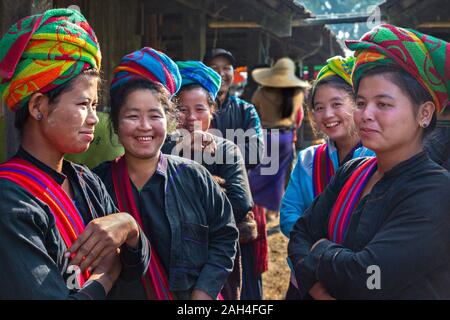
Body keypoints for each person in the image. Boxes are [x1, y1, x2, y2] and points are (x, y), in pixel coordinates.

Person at [288, 24, 450, 299]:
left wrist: (321, 249)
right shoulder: (353, 170)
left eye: (383, 104)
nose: (365, 115)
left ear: (424, 113)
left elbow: (369, 276)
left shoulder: (435, 191)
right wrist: (317, 288)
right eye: (361, 103)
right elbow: (300, 234)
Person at [0, 9, 149, 299]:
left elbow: (136, 267)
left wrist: (130, 228)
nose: (94, 118)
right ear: (38, 107)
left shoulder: (85, 180)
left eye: (95, 105)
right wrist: (108, 273)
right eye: (83, 104)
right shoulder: (10, 202)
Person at [93, 48, 238, 300]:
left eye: (154, 115)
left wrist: (203, 293)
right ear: (116, 124)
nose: (144, 126)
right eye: (132, 116)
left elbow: (224, 235)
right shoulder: (96, 185)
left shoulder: (196, 178)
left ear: (169, 121)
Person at [280, 55, 374, 299]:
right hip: (307, 276)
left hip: (359, 276)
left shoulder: (377, 157)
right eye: (319, 107)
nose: (327, 114)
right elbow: (289, 215)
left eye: (336, 104)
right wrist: (315, 253)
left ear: (357, 104)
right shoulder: (308, 160)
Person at [162, 60, 254, 300]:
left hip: (217, 257)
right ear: (172, 112)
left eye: (200, 109)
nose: (191, 117)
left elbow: (241, 203)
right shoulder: (163, 148)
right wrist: (213, 186)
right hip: (168, 256)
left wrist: (186, 199)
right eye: (182, 109)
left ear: (212, 111)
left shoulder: (226, 150)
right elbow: (154, 197)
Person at [204, 48, 266, 300]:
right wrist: (232, 152)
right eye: (215, 67)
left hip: (241, 204)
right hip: (205, 205)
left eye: (226, 67)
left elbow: (257, 152)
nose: (222, 73)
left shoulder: (245, 110)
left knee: (247, 280)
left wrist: (211, 148)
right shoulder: (196, 107)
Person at [249, 57, 310, 222]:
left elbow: (254, 115)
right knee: (278, 175)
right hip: (286, 138)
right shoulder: (297, 93)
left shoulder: (261, 92)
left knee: (261, 172)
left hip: (265, 136)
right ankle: (272, 211)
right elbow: (299, 118)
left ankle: (252, 203)